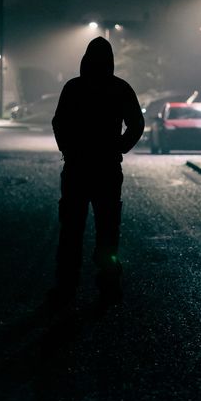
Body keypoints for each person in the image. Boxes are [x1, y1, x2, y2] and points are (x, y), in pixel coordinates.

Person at [48, 36, 144, 305]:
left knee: (71, 229)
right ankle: (109, 281)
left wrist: (68, 149)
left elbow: (59, 122)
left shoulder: (74, 88)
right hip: (107, 168)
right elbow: (136, 123)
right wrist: (120, 147)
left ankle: (66, 285)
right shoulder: (120, 88)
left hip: (77, 168)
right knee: (108, 228)